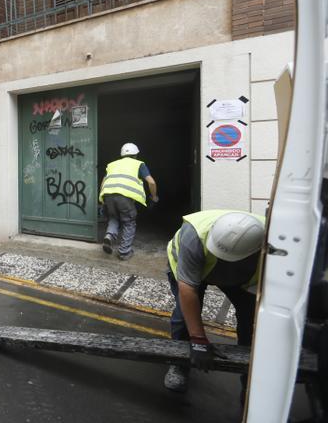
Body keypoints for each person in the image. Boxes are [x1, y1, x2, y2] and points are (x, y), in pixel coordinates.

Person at [162, 210, 266, 394]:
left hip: (244, 276)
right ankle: (179, 363)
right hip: (191, 268)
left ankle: (250, 379)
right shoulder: (194, 236)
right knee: (184, 317)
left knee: (251, 321)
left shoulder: (271, 243)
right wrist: (198, 339)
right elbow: (188, 289)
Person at [98, 143, 158, 260]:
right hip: (124, 197)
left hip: (108, 195)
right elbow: (151, 182)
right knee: (129, 221)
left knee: (114, 217)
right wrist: (154, 196)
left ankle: (109, 236)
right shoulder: (139, 164)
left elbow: (103, 183)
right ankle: (124, 252)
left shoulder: (112, 164)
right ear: (135, 155)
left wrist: (103, 199)